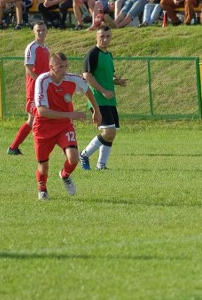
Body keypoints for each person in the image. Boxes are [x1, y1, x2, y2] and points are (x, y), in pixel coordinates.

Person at [32, 52, 101, 200]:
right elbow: (42, 111)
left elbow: (88, 90)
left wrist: (97, 111)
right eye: (60, 67)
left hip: (64, 126)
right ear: (51, 67)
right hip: (43, 127)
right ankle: (42, 187)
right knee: (43, 166)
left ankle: (65, 175)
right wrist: (71, 115)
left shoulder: (72, 79)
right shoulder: (42, 81)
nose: (64, 70)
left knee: (74, 158)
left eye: (66, 66)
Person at [79, 26, 127, 171]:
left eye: (108, 36)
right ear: (96, 37)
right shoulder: (92, 54)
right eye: (102, 36)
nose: (105, 39)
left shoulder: (108, 55)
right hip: (99, 98)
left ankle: (101, 165)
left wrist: (117, 81)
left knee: (111, 134)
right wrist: (103, 91)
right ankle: (84, 154)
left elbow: (107, 75)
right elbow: (87, 76)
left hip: (109, 99)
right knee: (108, 132)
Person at [8, 22, 50, 155]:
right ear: (34, 31)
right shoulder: (32, 48)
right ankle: (13, 147)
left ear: (47, 31)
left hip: (44, 88)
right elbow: (29, 70)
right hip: (34, 89)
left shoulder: (46, 48)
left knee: (45, 118)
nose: (41, 33)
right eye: (38, 30)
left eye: (43, 30)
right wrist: (40, 83)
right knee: (33, 119)